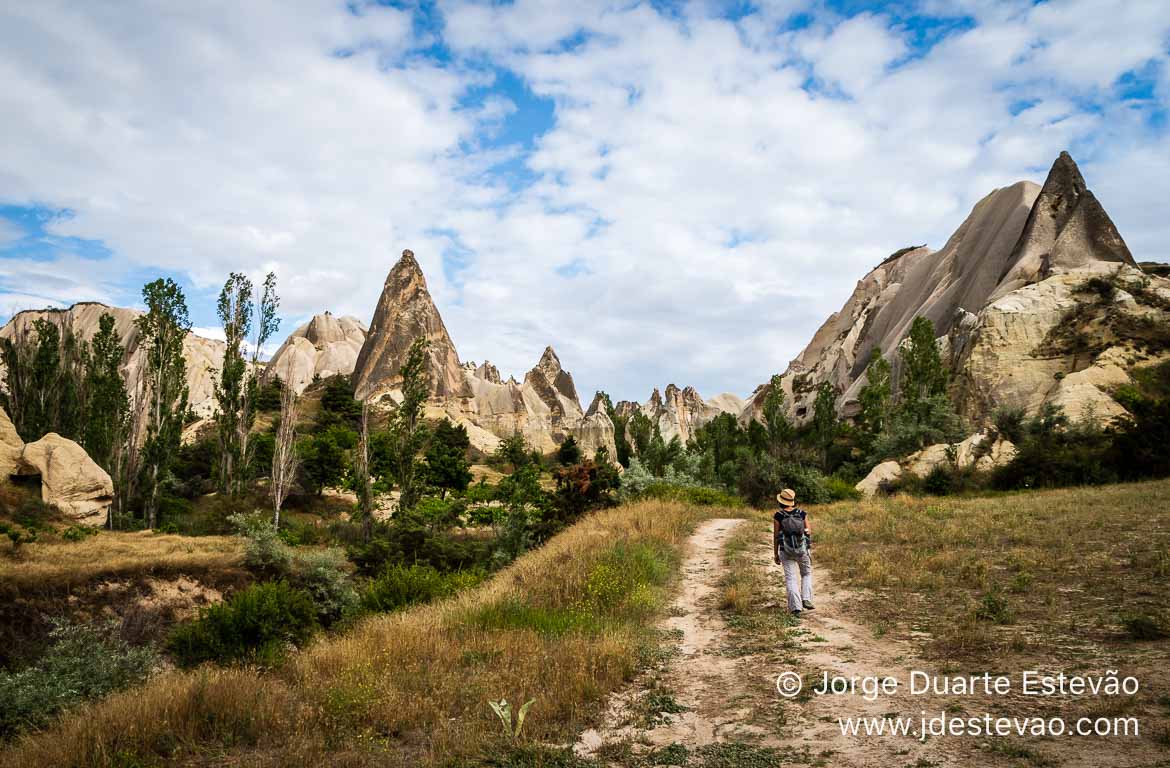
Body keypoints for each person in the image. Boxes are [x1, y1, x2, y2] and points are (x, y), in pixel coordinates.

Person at [772, 488, 813, 618]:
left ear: (781, 501)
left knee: (791, 578)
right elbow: (808, 531)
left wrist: (776, 554)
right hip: (802, 550)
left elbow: (776, 536)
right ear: (792, 501)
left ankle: (796, 608)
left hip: (786, 550)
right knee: (806, 574)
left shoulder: (778, 516)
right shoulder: (802, 514)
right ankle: (806, 598)